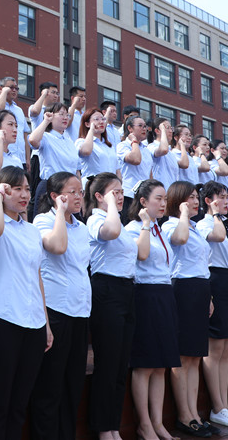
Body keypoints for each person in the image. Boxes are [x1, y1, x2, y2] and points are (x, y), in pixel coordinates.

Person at [0, 166, 52, 440]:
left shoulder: (32, 231)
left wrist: (45, 324)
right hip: (2, 319)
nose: (24, 195)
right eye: (16, 189)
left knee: (20, 402)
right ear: (2, 189)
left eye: (27, 189)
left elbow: (37, 277)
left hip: (33, 322)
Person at [30, 172, 89, 440]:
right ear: (55, 196)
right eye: (72, 191)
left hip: (80, 311)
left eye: (81, 191)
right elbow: (57, 246)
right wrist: (60, 212)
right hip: (55, 311)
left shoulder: (83, 227)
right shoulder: (42, 221)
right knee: (50, 385)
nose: (79, 196)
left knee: (72, 383)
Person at [161, 180, 217, 437]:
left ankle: (194, 412)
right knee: (183, 357)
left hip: (199, 289)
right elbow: (179, 240)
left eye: (197, 197)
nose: (196, 201)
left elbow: (202, 264)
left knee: (194, 357)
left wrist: (208, 297)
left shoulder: (193, 226)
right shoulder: (172, 224)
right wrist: (182, 214)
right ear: (178, 200)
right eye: (191, 197)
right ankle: (184, 415)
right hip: (181, 289)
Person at [124, 180, 179, 440]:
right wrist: (146, 223)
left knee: (161, 365)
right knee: (145, 364)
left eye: (165, 198)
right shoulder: (134, 228)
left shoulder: (160, 229)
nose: (163, 203)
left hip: (164, 293)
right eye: (158, 198)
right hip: (145, 294)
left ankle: (158, 423)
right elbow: (142, 256)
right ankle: (144, 424)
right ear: (143, 202)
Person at [83, 173, 135, 440]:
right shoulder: (96, 219)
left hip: (126, 291)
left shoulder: (120, 222)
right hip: (106, 291)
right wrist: (112, 207)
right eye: (114, 192)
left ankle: (114, 425)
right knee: (107, 363)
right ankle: (103, 428)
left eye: (122, 191)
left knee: (120, 365)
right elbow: (110, 233)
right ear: (99, 197)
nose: (121, 195)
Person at [196, 181, 228, 429]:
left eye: (227, 197)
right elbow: (209, 254)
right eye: (221, 197)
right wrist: (210, 296)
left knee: (226, 349)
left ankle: (226, 405)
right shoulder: (205, 224)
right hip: (213, 280)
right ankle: (217, 407)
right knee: (214, 350)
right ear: (208, 200)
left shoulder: (224, 225)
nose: (227, 201)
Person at [28, 101, 79, 215]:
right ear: (50, 115)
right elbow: (33, 140)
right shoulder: (46, 136)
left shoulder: (69, 140)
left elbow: (76, 170)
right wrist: (46, 121)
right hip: (50, 186)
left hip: (70, 189)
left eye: (67, 115)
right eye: (61, 114)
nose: (65, 117)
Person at [0, 76, 30, 166]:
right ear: (1, 88)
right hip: (2, 157)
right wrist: (4, 92)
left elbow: (25, 135)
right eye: (11, 88)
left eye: (16, 88)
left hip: (20, 160)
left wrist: (27, 159)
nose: (14, 90)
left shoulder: (19, 110)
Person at [76, 107, 118, 181]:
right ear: (87, 124)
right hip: (92, 186)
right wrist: (92, 129)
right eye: (96, 119)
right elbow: (86, 151)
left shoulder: (109, 145)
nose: (101, 122)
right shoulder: (81, 142)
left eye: (103, 119)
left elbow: (117, 169)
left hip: (111, 186)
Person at [148, 120, 188, 189]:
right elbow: (163, 150)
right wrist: (163, 130)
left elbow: (184, 164)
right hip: (159, 192)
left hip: (171, 193)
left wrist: (182, 145)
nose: (171, 131)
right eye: (167, 127)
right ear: (157, 131)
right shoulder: (151, 146)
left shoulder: (170, 153)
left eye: (171, 128)